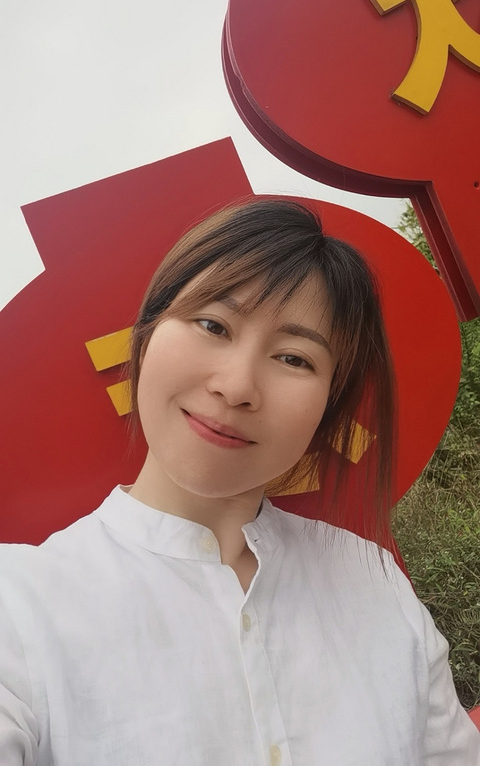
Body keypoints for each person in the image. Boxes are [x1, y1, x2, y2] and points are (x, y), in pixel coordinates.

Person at [0, 198, 478, 765]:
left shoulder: (373, 584)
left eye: (294, 359)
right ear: (146, 335)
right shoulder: (19, 605)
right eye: (213, 325)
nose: (237, 386)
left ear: (327, 407)